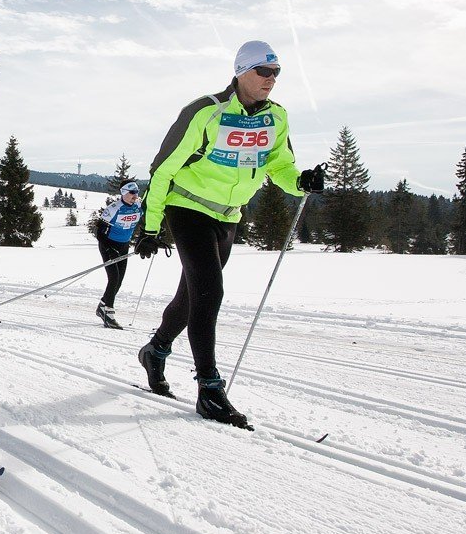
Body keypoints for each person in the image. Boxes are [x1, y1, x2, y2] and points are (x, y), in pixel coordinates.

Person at [134, 40, 325, 430]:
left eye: (276, 72)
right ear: (240, 72)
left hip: (228, 216)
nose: (271, 79)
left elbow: (279, 165)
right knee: (210, 291)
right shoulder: (205, 112)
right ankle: (209, 388)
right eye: (263, 71)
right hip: (188, 207)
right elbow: (163, 169)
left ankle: (156, 350)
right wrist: (150, 227)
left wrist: (300, 181)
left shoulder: (276, 117)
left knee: (192, 296)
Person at [93, 182, 145, 329]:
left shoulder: (139, 206)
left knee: (119, 281)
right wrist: (108, 249)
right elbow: (99, 232)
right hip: (108, 245)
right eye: (132, 192)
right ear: (123, 193)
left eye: (136, 192)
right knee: (114, 278)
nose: (135, 195)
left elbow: (147, 222)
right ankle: (108, 313)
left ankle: (102, 306)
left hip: (123, 246)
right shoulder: (113, 208)